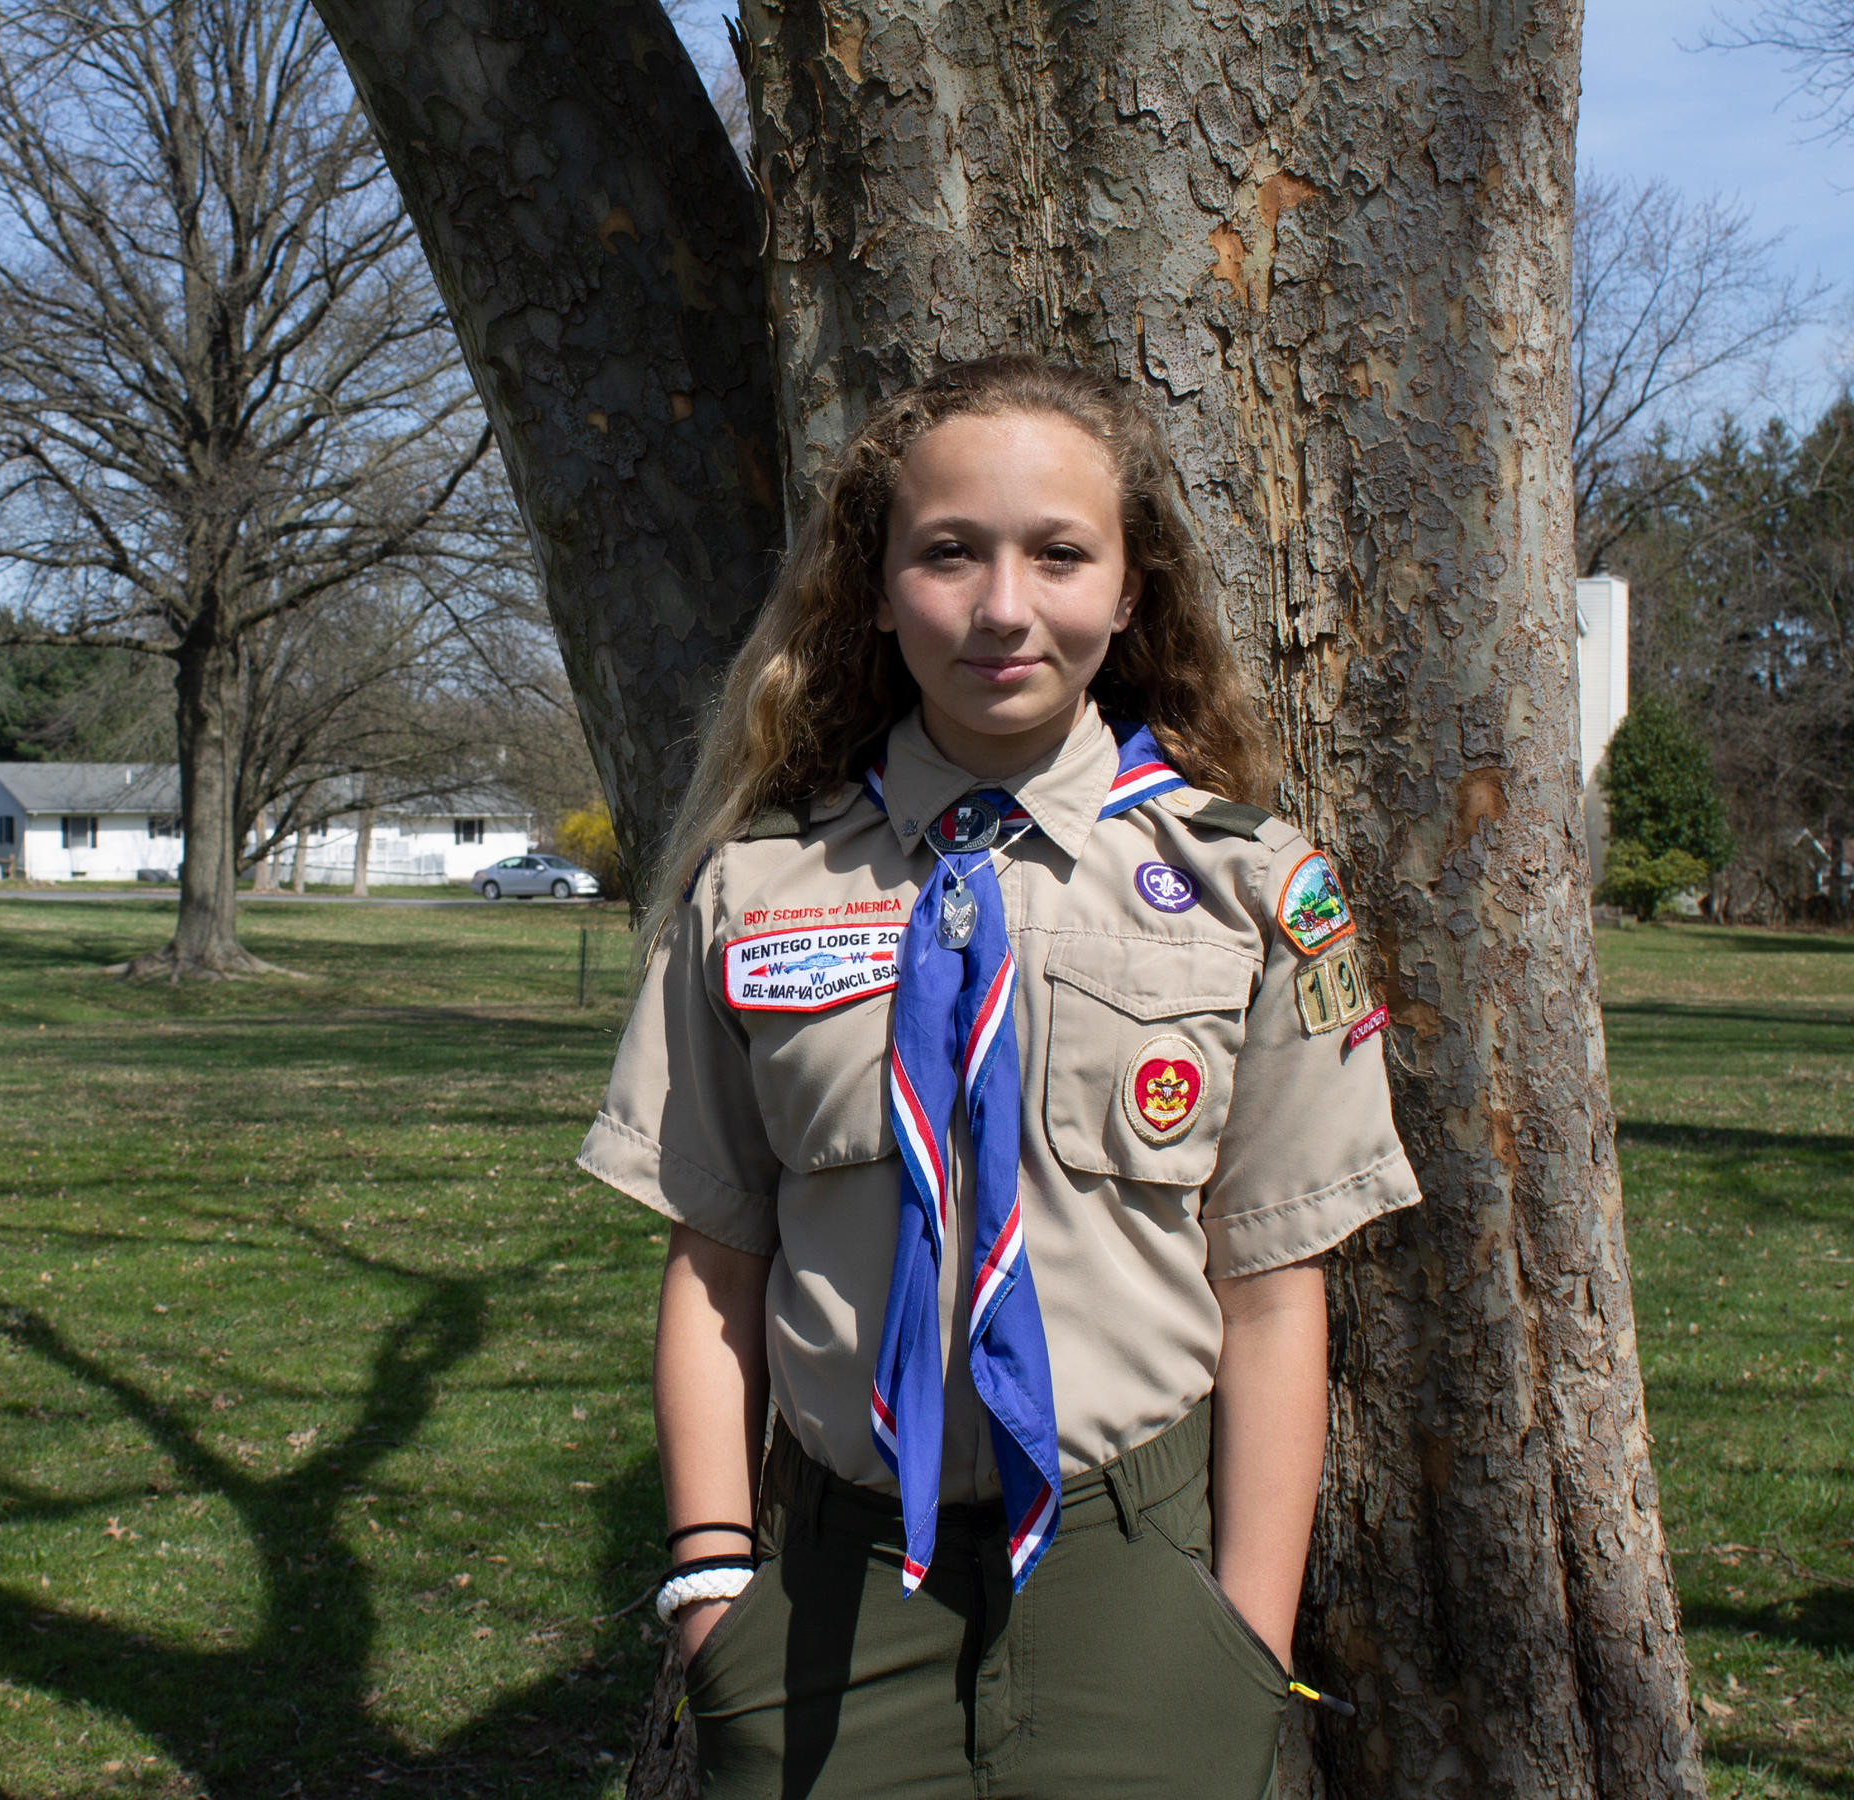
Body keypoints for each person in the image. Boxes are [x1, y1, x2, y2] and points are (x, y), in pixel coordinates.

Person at [575, 356, 1421, 1799]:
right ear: (881, 582)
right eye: (950, 552)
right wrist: (714, 1586)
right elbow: (715, 1261)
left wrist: (1243, 1638)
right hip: (835, 1590)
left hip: (1138, 1578)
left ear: (1133, 588)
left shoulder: (1250, 891)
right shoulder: (757, 889)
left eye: (1060, 554)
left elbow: (1275, 1292)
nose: (1004, 606)